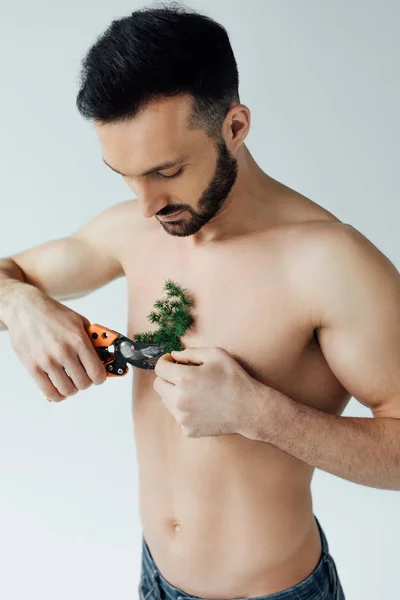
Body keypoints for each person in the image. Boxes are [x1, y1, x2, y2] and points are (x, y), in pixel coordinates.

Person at [1, 4, 399, 600]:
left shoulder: (331, 264)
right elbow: (10, 273)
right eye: (125, 176)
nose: (144, 206)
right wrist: (20, 306)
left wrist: (260, 414)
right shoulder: (134, 228)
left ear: (235, 126)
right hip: (153, 578)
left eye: (167, 171)